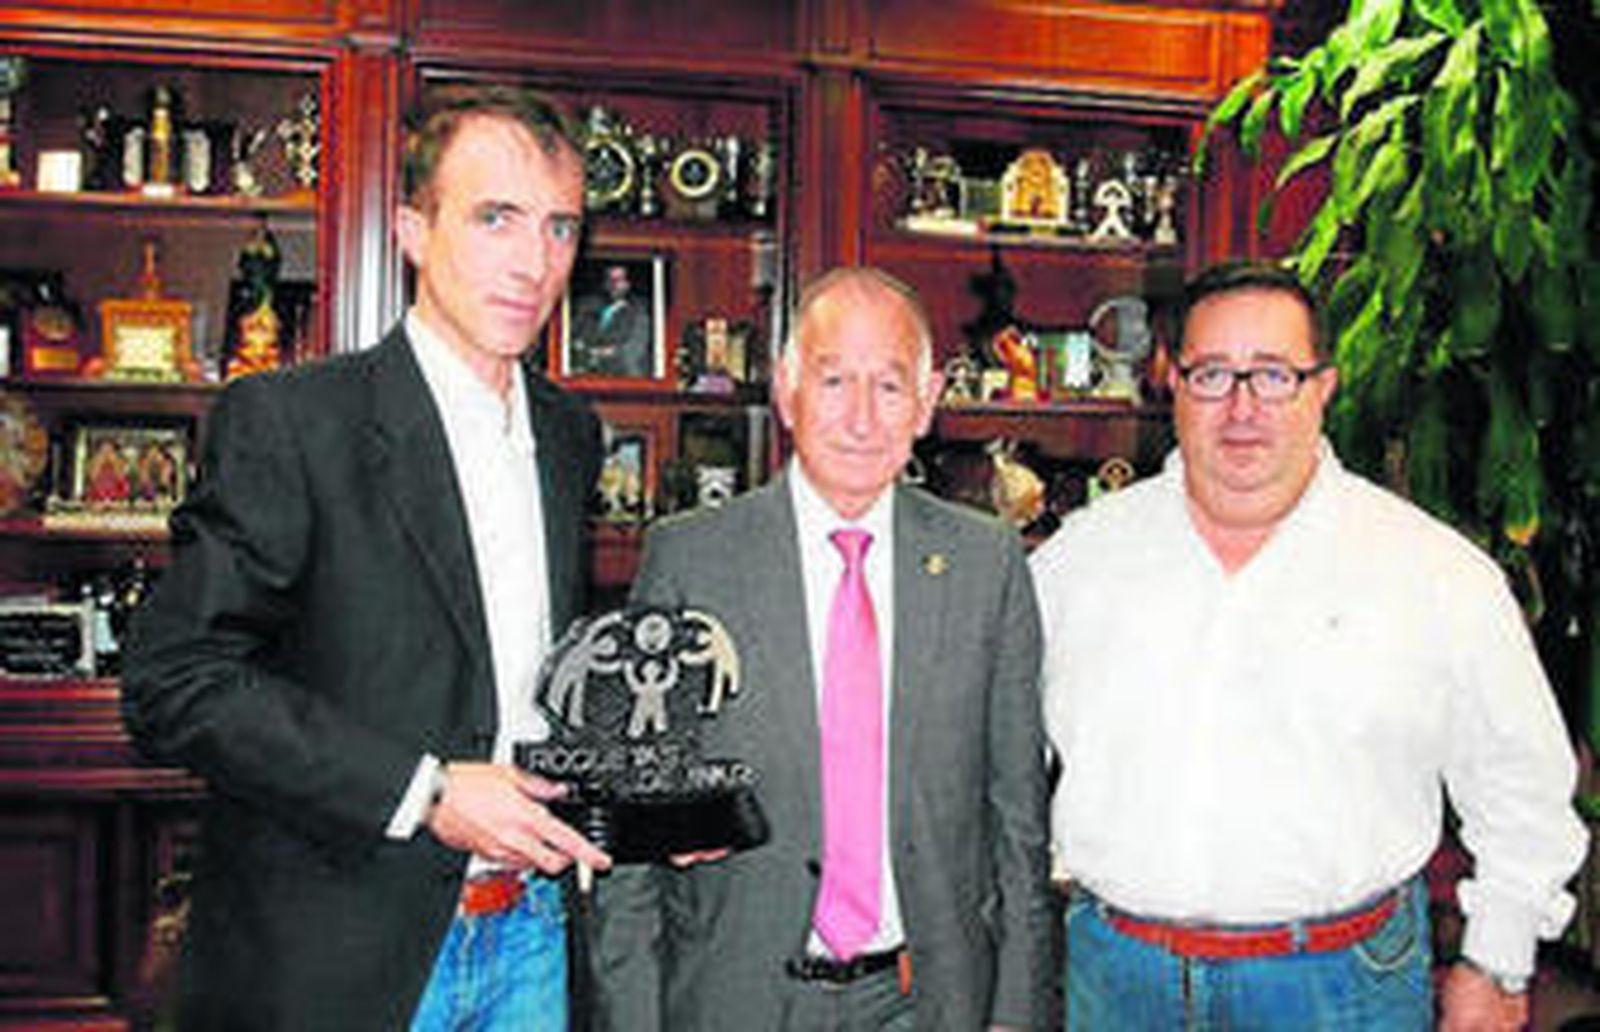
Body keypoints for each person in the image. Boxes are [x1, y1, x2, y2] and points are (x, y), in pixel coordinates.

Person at [121, 87, 612, 1031]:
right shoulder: (295, 421)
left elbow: (526, 683)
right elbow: (173, 681)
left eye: (560, 228)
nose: (534, 262)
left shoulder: (568, 431)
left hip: (535, 935)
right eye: (495, 218)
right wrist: (423, 791)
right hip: (343, 955)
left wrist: (652, 809)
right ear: (412, 232)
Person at [1031, 261, 1587, 1030]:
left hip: (1340, 988)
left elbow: (1522, 785)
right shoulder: (1075, 564)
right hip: (1118, 981)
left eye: (1274, 375)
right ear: (1172, 383)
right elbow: (996, 766)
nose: (1242, 408)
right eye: (1213, 375)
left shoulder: (1433, 574)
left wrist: (1498, 958)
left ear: (1323, 386)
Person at [587, 266, 1055, 1030]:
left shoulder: (986, 563)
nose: (862, 419)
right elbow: (631, 830)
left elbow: (1017, 815)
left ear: (928, 402)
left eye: (891, 387)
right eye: (835, 381)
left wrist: (1017, 1010)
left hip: (927, 998)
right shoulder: (689, 560)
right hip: (732, 995)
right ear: (787, 389)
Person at [569, 261, 653, 377]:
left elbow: (632, 350)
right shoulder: (589, 309)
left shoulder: (639, 313)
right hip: (588, 378)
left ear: (628, 284)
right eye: (611, 280)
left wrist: (599, 353)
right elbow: (576, 339)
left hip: (625, 380)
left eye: (619, 280)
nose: (614, 285)